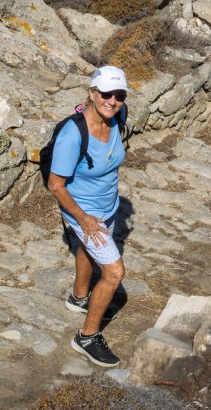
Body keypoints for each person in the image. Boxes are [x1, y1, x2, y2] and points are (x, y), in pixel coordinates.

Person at [46, 66, 130, 367]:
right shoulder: (73, 135)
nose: (113, 101)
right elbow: (55, 185)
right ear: (92, 93)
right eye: (106, 94)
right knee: (114, 273)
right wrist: (83, 219)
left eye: (119, 95)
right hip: (83, 211)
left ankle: (79, 297)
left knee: (88, 250)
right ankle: (87, 337)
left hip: (107, 207)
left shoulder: (117, 116)